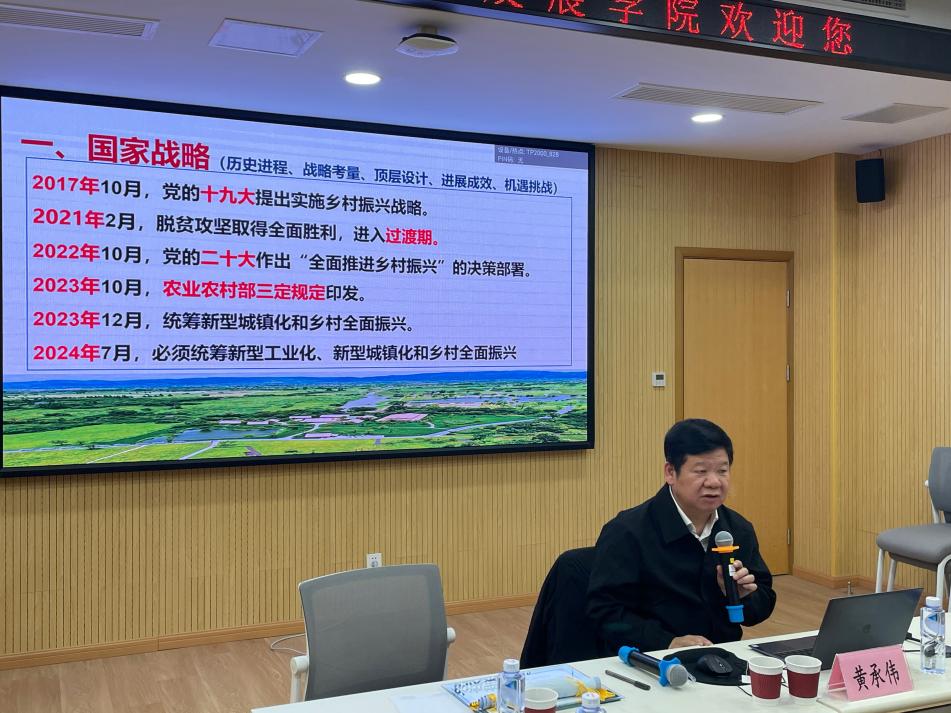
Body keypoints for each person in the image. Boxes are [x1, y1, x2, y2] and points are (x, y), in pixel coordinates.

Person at [586, 418, 776, 654]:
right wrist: (666, 642)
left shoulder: (738, 529)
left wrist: (743, 597)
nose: (714, 482)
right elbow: (604, 612)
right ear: (670, 472)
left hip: (722, 658)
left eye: (722, 471)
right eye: (701, 471)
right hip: (651, 660)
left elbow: (762, 605)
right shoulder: (627, 531)